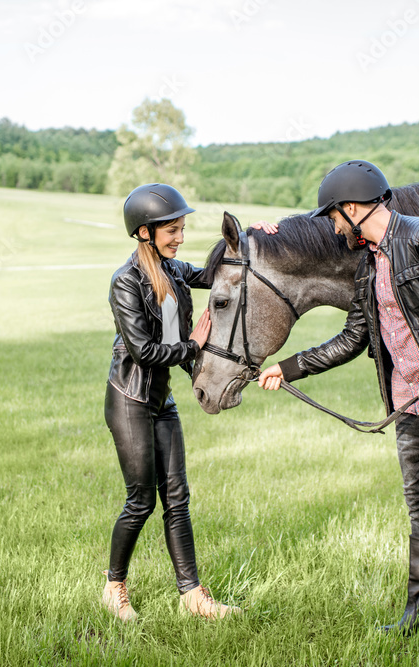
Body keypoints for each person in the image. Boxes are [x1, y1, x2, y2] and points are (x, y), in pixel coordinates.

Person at [257, 161, 419, 663]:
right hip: (406, 405)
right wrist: (289, 368)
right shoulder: (368, 262)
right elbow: (355, 337)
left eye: (334, 217)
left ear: (353, 209)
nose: (333, 227)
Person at [103, 183, 277, 622]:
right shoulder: (125, 282)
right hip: (130, 400)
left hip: (161, 400)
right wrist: (193, 345)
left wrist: (249, 236)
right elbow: (144, 351)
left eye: (181, 228)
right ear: (145, 232)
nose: (179, 237)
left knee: (177, 499)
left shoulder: (174, 269)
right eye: (172, 230)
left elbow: (217, 272)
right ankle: (114, 587)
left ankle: (193, 596)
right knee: (141, 501)